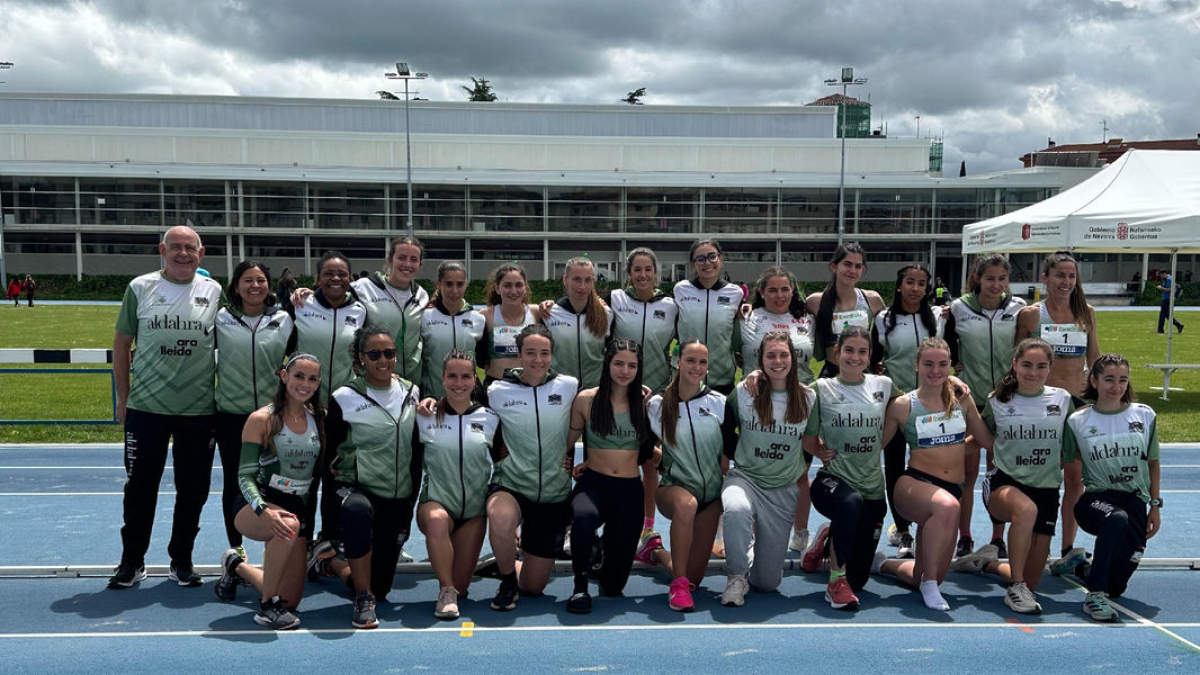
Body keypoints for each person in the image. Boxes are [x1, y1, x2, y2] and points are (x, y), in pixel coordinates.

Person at [108, 225, 223, 589]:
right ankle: (132, 561)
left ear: (201, 254)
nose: (183, 253)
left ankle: (182, 560)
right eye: (176, 247)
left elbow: (253, 309)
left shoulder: (215, 291)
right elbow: (122, 344)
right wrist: (123, 399)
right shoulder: (140, 288)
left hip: (199, 411)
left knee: (193, 490)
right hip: (146, 409)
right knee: (140, 488)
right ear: (162, 249)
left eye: (190, 247)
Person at [951, 338, 1073, 615]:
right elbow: (983, 439)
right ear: (1015, 364)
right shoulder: (998, 400)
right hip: (1004, 484)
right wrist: (946, 448)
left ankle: (985, 563)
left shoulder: (1063, 400)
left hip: (1047, 489)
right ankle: (1015, 587)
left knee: (1034, 581)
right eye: (1027, 364)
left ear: (1050, 368)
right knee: (1025, 510)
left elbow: (1074, 444)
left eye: (1041, 366)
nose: (1033, 371)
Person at [874, 337, 993, 611]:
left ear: (951, 366)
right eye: (928, 364)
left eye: (942, 364)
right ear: (916, 365)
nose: (935, 371)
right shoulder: (903, 405)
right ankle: (929, 586)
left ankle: (881, 563)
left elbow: (987, 441)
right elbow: (875, 446)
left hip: (952, 490)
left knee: (929, 575)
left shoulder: (962, 401)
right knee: (948, 507)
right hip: (915, 484)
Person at [214, 353, 324, 630]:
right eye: (299, 376)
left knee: (291, 600)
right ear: (284, 376)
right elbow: (244, 477)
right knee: (287, 525)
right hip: (254, 505)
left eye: (312, 379)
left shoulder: (318, 419)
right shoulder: (261, 419)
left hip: (294, 508)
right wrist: (263, 511)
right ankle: (266, 609)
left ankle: (236, 566)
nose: (305, 384)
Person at [324, 326, 421, 629]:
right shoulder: (344, 397)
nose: (383, 359)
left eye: (389, 353)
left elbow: (416, 453)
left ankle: (329, 562)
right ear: (361, 358)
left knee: (383, 587)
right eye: (375, 354)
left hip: (396, 496)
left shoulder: (412, 392)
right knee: (356, 511)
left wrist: (410, 501)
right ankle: (363, 598)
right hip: (358, 489)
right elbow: (329, 459)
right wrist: (329, 520)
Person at [1059, 354, 1161, 622]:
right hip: (1095, 501)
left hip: (1135, 502)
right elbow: (1068, 471)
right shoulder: (1077, 421)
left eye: (1123, 380)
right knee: (1116, 519)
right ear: (1094, 380)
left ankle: (1080, 566)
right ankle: (1094, 597)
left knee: (1116, 587)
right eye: (1109, 379)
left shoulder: (1145, 415)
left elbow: (1153, 463)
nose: (1116, 387)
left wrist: (1155, 506)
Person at [485, 324, 580, 612]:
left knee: (534, 587)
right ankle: (506, 580)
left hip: (552, 493)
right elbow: (466, 413)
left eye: (544, 353)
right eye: (530, 353)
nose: (538, 360)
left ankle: (510, 563)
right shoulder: (497, 390)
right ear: (519, 354)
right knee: (500, 518)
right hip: (512, 484)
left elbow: (598, 408)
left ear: (552, 354)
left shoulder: (569, 385)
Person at [1015, 251, 1099, 572]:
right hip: (1040, 407)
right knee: (1039, 478)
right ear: (1045, 278)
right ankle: (1035, 543)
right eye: (1060, 275)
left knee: (1075, 480)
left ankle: (1067, 548)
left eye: (1072, 276)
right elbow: (1018, 362)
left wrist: (1099, 399)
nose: (1066, 282)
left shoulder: (1086, 313)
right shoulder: (1032, 316)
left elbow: (1094, 358)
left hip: (1076, 406)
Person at [801, 326, 894, 610]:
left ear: (870, 355)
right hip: (832, 482)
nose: (855, 357)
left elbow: (910, 403)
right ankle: (835, 581)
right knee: (849, 504)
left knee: (860, 580)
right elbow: (806, 438)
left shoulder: (883, 385)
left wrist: (954, 386)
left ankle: (829, 537)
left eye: (862, 351)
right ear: (837, 352)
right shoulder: (821, 388)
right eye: (849, 350)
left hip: (872, 489)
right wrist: (819, 449)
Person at [720, 332, 814, 607]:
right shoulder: (745, 392)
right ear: (760, 359)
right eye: (770, 355)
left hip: (782, 489)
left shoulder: (809, 398)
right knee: (736, 510)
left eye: (783, 354)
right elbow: (726, 433)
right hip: (746, 479)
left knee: (767, 583)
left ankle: (749, 555)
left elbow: (809, 443)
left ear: (793, 358)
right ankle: (736, 576)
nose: (778, 360)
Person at [944, 253, 1027, 560]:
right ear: (978, 278)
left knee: (998, 472)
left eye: (1002, 279)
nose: (996, 285)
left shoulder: (1018, 308)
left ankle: (996, 536)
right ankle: (964, 536)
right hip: (969, 400)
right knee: (964, 472)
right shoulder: (958, 308)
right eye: (990, 278)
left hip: (1005, 401)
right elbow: (948, 349)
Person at [565, 340, 655, 613]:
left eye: (632, 365)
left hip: (628, 490)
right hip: (594, 484)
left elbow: (651, 452)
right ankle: (579, 588)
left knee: (614, 587)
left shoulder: (645, 403)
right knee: (582, 518)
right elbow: (566, 445)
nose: (624, 370)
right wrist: (568, 467)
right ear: (607, 364)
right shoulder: (586, 400)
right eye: (618, 363)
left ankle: (601, 550)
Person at [214, 261, 294, 562]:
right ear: (236, 286)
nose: (255, 286)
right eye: (247, 280)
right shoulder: (220, 318)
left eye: (261, 280)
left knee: (277, 482)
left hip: (272, 417)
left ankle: (279, 547)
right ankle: (236, 549)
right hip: (231, 415)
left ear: (268, 285)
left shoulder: (285, 319)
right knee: (235, 482)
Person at [647, 340, 734, 611]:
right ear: (677, 362)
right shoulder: (656, 406)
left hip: (710, 497)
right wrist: (667, 463)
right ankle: (678, 587)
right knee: (687, 505)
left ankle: (654, 551)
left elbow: (727, 453)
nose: (697, 367)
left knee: (693, 574)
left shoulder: (719, 403)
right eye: (691, 360)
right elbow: (640, 447)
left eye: (703, 362)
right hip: (673, 490)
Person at [292, 251, 368, 554]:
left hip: (342, 409)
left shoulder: (361, 310)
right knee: (304, 479)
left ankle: (329, 538)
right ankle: (302, 539)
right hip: (305, 407)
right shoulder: (300, 304)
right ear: (318, 278)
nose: (335, 279)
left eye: (341, 274)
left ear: (350, 279)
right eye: (329, 273)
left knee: (335, 476)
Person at [416, 350, 501, 620]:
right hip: (437, 502)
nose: (458, 382)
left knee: (464, 586)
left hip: (473, 512)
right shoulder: (424, 416)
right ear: (442, 378)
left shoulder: (489, 418)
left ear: (475, 380)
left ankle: (459, 583)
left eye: (466, 376)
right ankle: (445, 592)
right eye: (452, 376)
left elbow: (502, 465)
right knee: (438, 522)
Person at [739, 266, 817, 555]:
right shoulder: (747, 317)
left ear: (793, 291)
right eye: (772, 289)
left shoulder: (806, 319)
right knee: (761, 470)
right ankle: (755, 535)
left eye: (785, 289)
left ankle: (801, 531)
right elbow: (737, 353)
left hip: (800, 403)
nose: (779, 295)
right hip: (760, 402)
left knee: (801, 472)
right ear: (761, 292)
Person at [875, 264, 946, 558]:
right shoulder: (883, 319)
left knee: (926, 467)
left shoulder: (939, 318)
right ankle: (903, 531)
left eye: (920, 283)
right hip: (896, 406)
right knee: (894, 467)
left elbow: (948, 355)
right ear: (900, 285)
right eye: (909, 282)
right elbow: (875, 361)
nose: (915, 288)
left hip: (931, 406)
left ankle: (929, 522)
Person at [607, 247, 677, 545]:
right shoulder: (614, 300)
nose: (643, 275)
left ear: (656, 272)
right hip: (621, 392)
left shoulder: (672, 306)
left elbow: (682, 344)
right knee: (618, 460)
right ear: (628, 274)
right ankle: (614, 523)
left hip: (656, 395)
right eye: (637, 270)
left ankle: (647, 526)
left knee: (649, 463)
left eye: (648, 269)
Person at [353, 236, 430, 384]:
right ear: (390, 259)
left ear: (420, 264)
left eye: (413, 259)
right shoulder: (364, 287)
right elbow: (335, 300)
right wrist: (311, 296)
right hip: (374, 382)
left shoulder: (422, 295)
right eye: (401, 257)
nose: (407, 264)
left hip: (412, 384)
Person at [674, 239, 743, 395]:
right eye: (700, 259)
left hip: (722, 380)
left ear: (721, 259)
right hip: (685, 378)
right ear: (693, 264)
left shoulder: (735, 293)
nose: (707, 263)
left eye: (712, 256)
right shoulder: (681, 289)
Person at [808, 243, 886, 379]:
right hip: (831, 376)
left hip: (863, 374)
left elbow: (889, 334)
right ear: (834, 266)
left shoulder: (872, 299)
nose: (852, 270)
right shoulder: (815, 302)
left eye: (858, 266)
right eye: (847, 264)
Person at [543, 256, 613, 388]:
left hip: (596, 390)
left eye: (588, 280)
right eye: (576, 279)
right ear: (565, 280)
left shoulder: (606, 313)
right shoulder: (549, 314)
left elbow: (612, 353)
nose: (583, 286)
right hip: (559, 390)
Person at [420, 261, 486, 398]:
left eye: (460, 284)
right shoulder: (424, 318)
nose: (455, 290)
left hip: (468, 400)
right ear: (439, 284)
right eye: (449, 284)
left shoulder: (478, 319)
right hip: (433, 399)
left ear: (466, 284)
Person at [482, 262, 540, 385]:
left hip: (529, 386)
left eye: (519, 285)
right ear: (497, 288)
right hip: (496, 385)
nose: (513, 291)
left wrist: (549, 303)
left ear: (525, 287)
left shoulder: (536, 312)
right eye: (507, 285)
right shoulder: (486, 315)